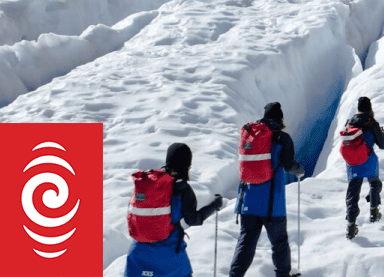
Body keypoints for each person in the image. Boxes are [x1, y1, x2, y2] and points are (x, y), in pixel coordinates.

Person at [125, 143, 226, 277]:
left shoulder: (147, 182)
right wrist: (214, 205)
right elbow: (194, 219)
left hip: (137, 254)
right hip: (168, 254)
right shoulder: (182, 188)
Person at [229, 102, 305, 277]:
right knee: (279, 242)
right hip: (272, 202)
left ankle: (234, 275)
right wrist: (300, 169)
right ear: (280, 118)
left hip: (248, 199)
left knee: (246, 242)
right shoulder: (281, 138)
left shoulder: (249, 135)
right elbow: (289, 165)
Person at [344, 96, 384, 239]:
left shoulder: (349, 122)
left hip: (352, 163)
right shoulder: (371, 123)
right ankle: (374, 212)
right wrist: (383, 135)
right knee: (375, 184)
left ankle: (351, 225)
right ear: (369, 108)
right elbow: (382, 145)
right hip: (368, 159)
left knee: (353, 193)